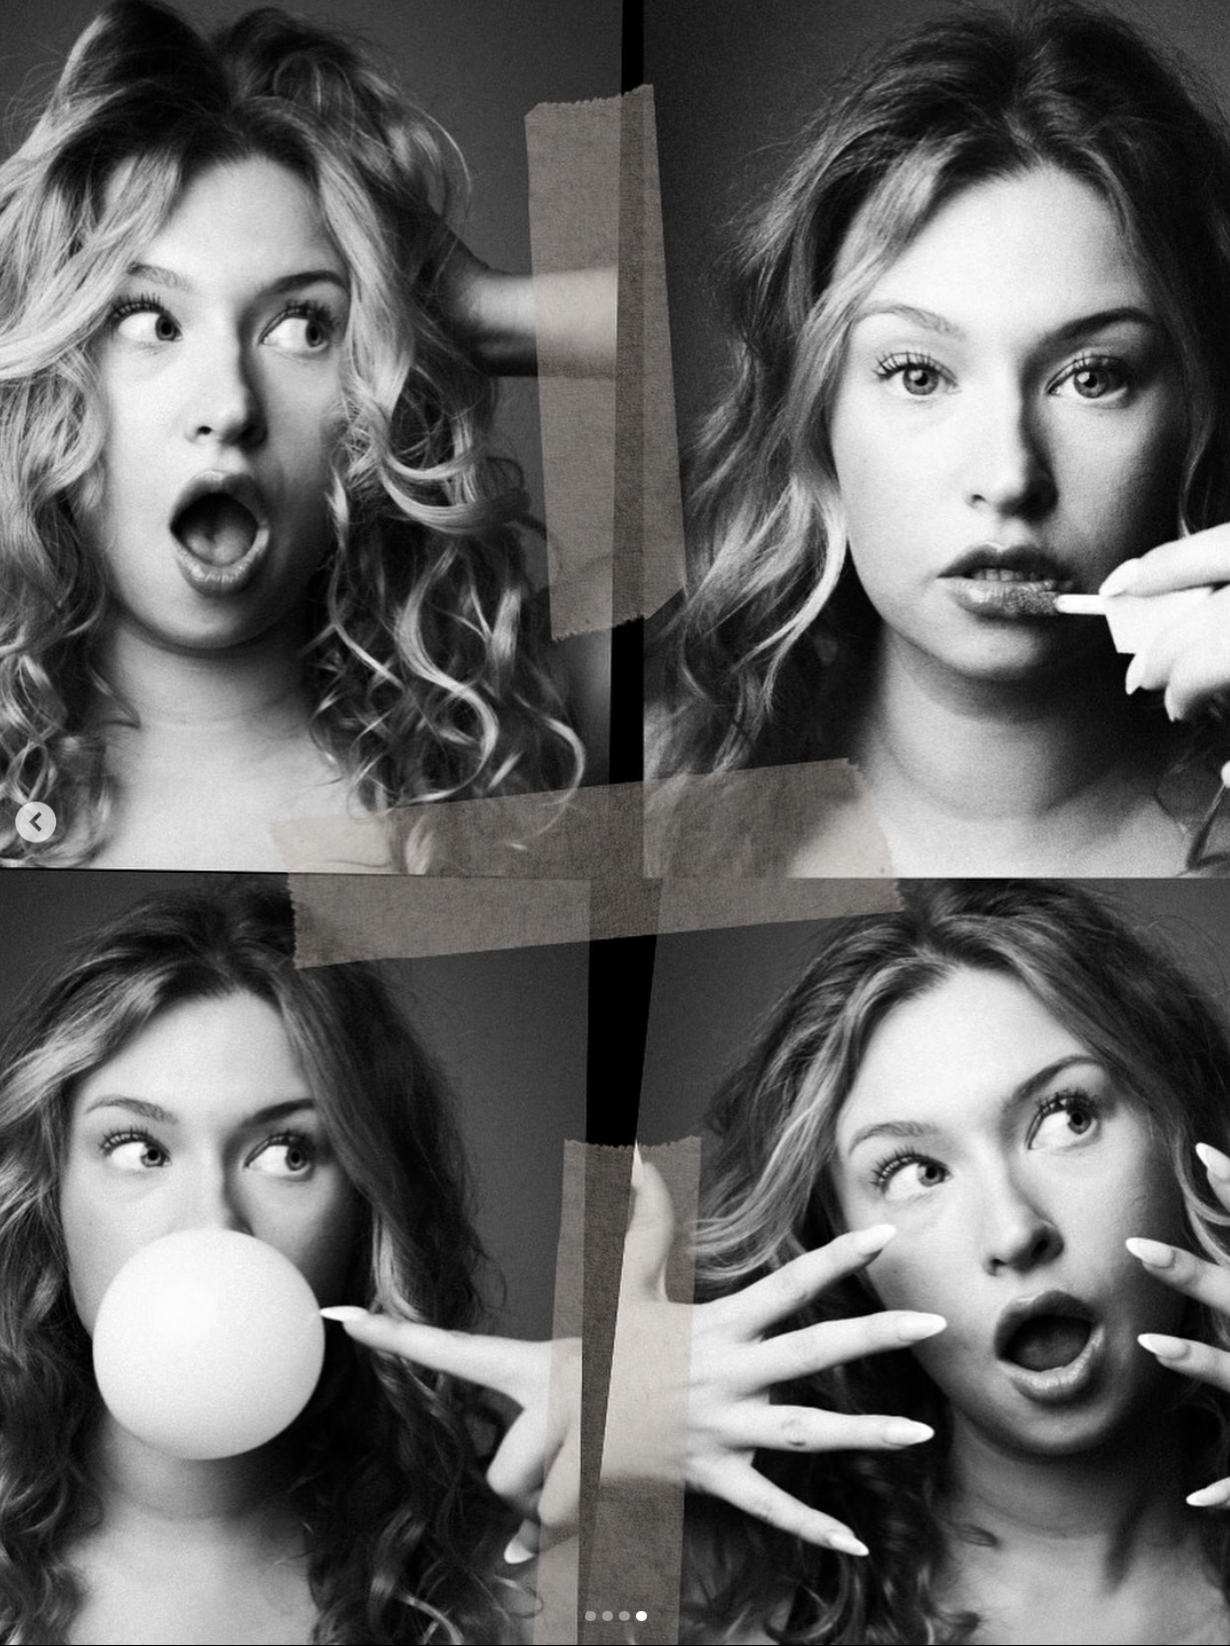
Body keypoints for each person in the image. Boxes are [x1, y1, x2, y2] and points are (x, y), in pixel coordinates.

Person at [0, 0, 605, 872]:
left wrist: (486, 314)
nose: (232, 406)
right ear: (57, 373)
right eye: (149, 320)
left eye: (301, 329)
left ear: (369, 399)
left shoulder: (522, 740)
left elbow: (758, 335)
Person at [653, 3, 1230, 876]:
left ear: (1200, 410)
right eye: (919, 374)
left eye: (1093, 377)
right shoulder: (655, 812)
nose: (1008, 477)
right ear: (813, 415)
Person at [617, 880, 1230, 1642]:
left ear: (1183, 1131)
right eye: (915, 1173)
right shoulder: (732, 1611)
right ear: (839, 1247)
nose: (1013, 1232)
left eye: (1066, 1117)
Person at [0, 882, 563, 1643]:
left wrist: (640, 1497)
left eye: (286, 1153)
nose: (212, 1222)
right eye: (139, 1149)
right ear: (51, 1192)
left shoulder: (514, 1582)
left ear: (367, 1208)